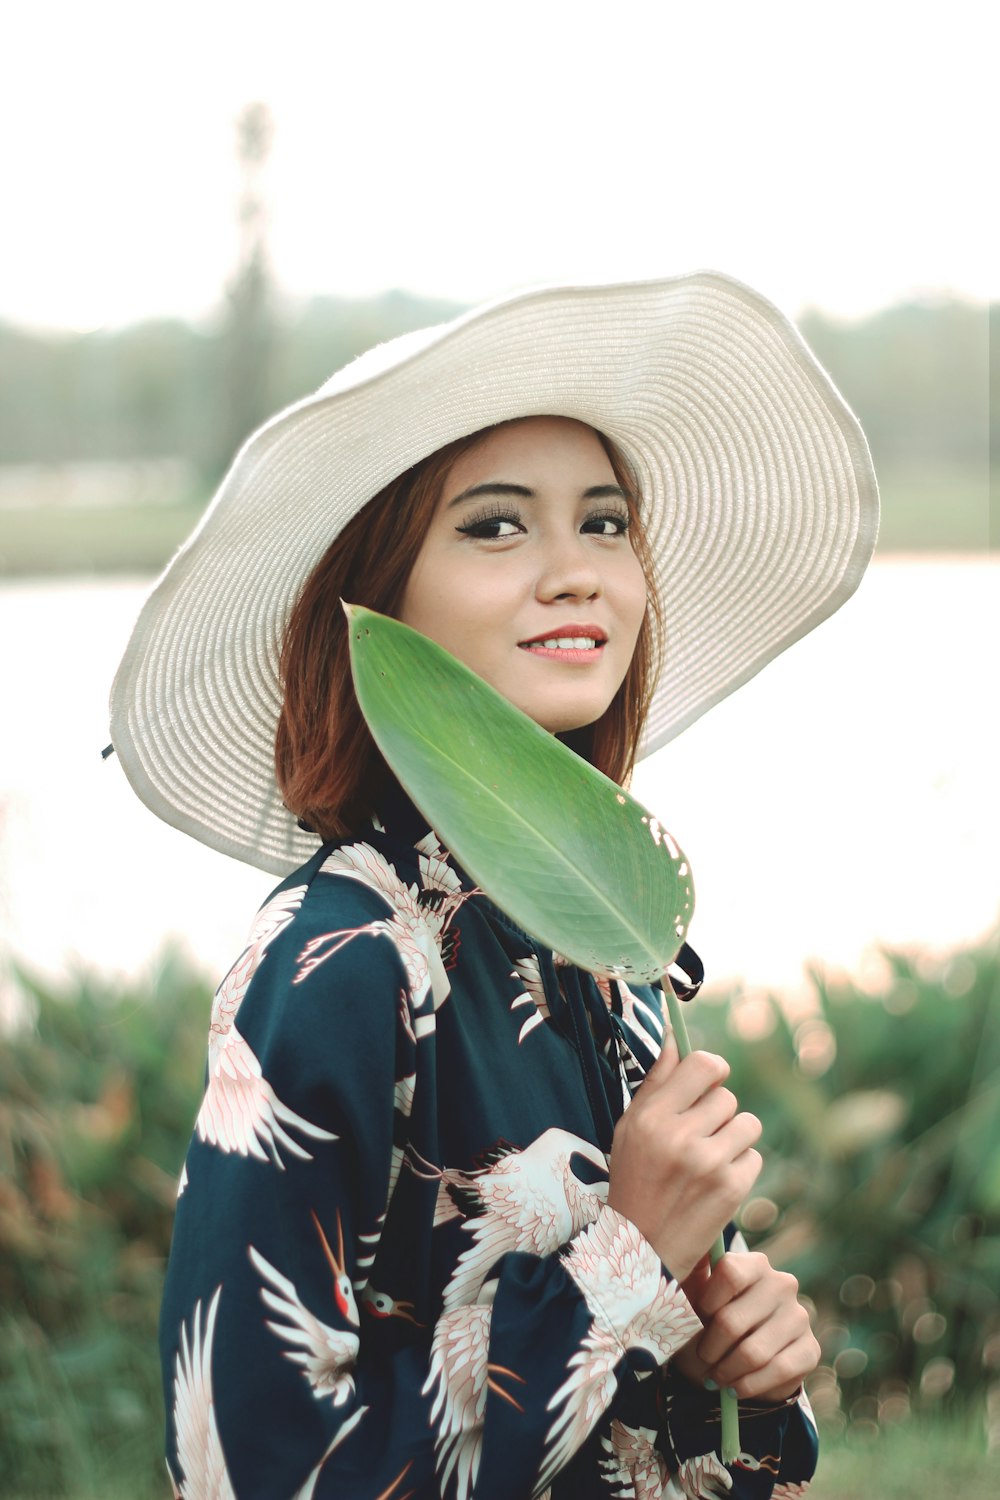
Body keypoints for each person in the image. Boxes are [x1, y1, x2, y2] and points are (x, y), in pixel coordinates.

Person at [109, 273, 879, 1499]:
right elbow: (249, 1470)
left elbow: (638, 1449)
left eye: (606, 522)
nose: (577, 572)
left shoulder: (616, 955)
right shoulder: (337, 964)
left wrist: (744, 1394)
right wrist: (622, 1259)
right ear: (377, 595)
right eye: (496, 524)